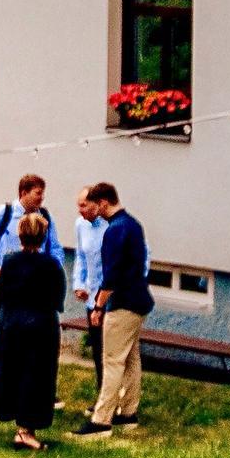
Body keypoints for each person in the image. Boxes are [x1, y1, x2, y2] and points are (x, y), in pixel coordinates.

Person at [0, 208, 69, 449]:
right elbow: (58, 298)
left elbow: (0, 295)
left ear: (20, 234)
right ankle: (26, 430)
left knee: (15, 374)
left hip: (12, 327)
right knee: (36, 377)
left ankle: (21, 427)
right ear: (43, 236)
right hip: (40, 328)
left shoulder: (10, 261)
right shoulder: (51, 265)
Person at [78, 183, 151, 433]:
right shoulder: (133, 224)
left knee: (111, 361)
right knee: (130, 358)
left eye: (95, 205)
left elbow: (111, 276)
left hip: (122, 304)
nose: (94, 211)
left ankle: (101, 420)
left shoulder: (114, 230)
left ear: (104, 203)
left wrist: (98, 307)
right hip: (139, 301)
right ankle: (128, 413)